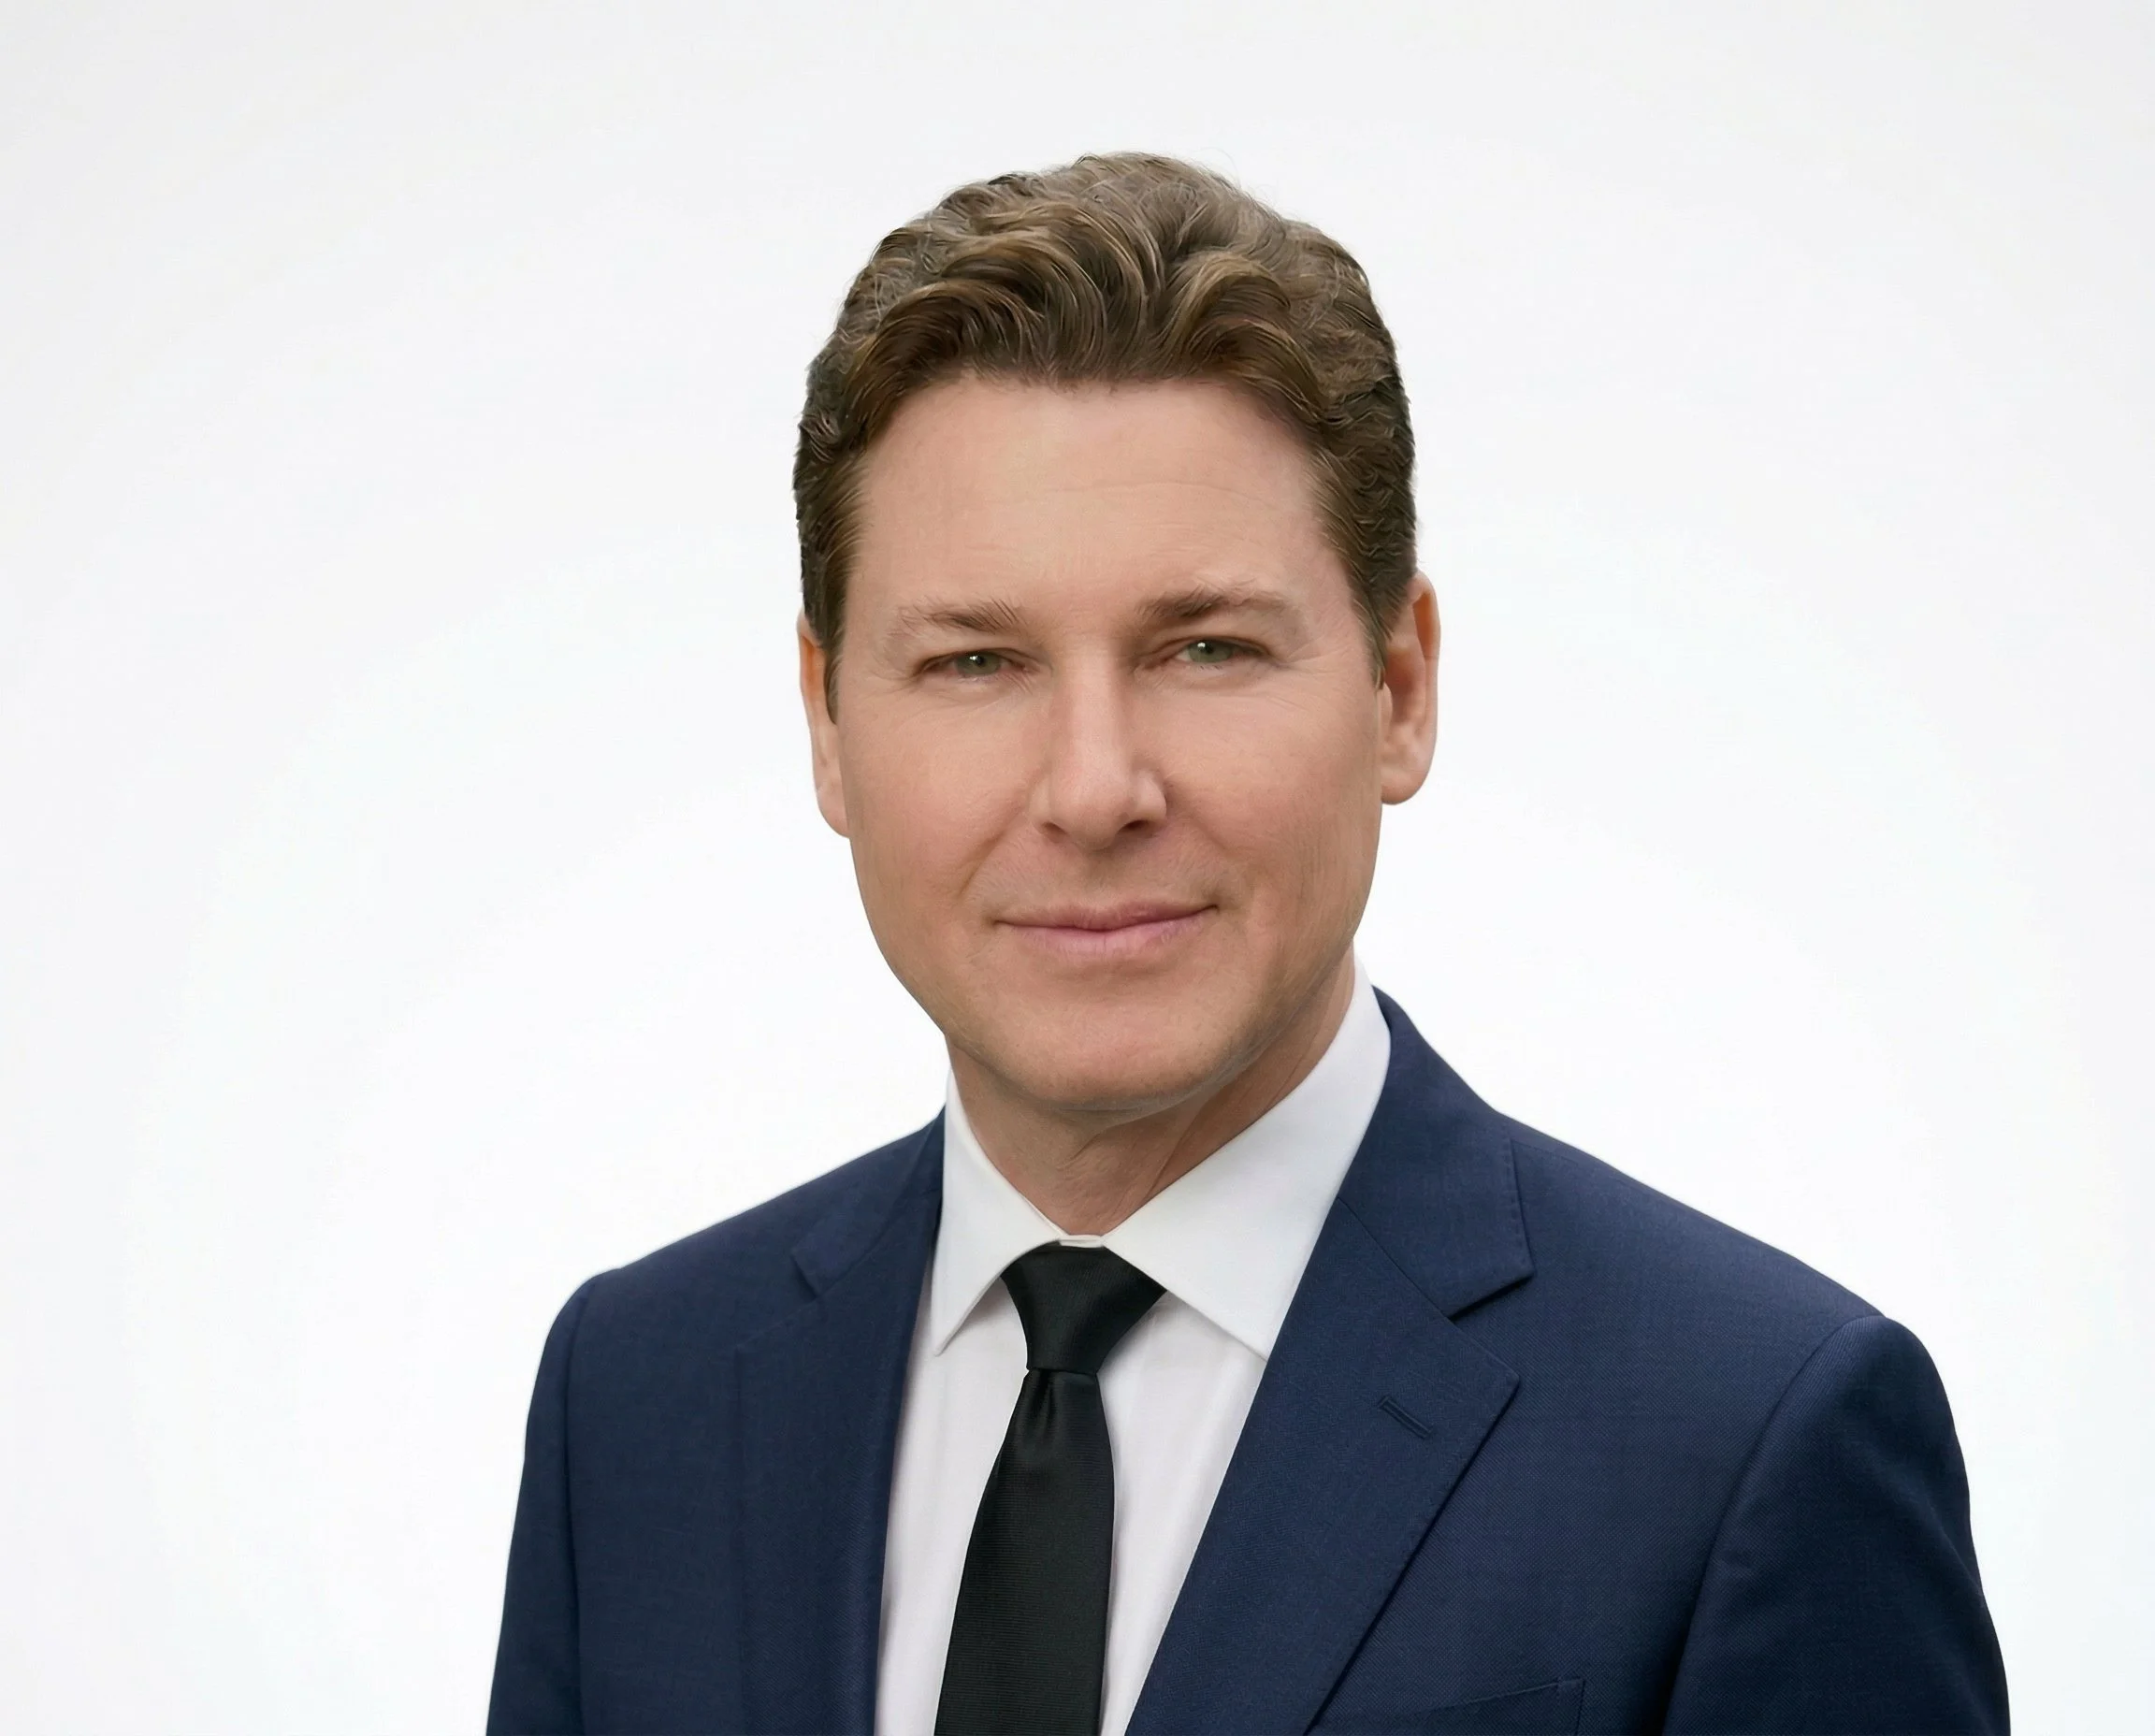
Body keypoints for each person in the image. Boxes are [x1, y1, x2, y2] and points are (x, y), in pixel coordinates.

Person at [487, 153, 2007, 1736]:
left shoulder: (1749, 1433)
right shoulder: (642, 1395)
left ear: (1400, 686)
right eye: (976, 660)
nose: (1093, 790)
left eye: (1205, 647)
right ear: (825, 719)